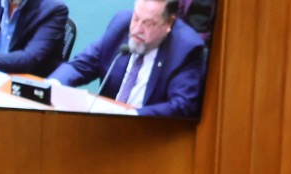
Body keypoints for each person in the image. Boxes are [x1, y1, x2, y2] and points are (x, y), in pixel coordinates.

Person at [48, 0, 207, 118]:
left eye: (148, 24)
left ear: (169, 23)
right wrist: (52, 85)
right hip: (103, 127)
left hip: (149, 137)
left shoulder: (186, 47)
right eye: (136, 18)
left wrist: (132, 115)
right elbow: (80, 66)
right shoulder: (121, 24)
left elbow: (182, 105)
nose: (137, 29)